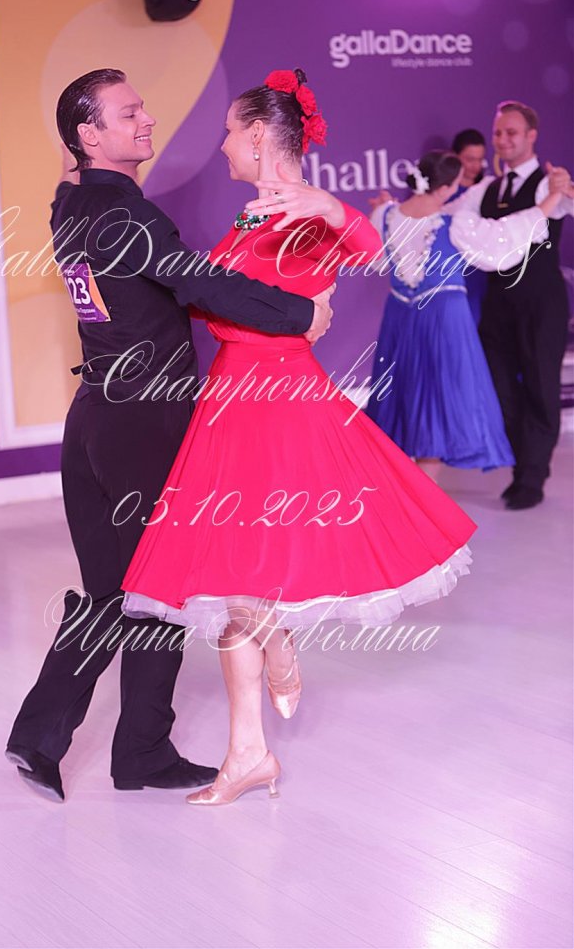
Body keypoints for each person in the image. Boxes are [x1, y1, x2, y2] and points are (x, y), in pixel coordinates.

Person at [120, 69, 478, 807]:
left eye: (229, 131)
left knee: (239, 581)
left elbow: (370, 251)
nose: (222, 145)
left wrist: (330, 206)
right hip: (230, 401)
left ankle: (276, 656)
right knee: (227, 586)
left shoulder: (304, 210)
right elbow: (223, 302)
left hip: (278, 405)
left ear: (258, 134)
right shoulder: (252, 215)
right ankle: (248, 751)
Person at [5, 68, 336, 801]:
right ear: (90, 135)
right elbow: (203, 285)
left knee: (112, 589)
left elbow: (77, 189)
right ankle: (135, 750)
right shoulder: (128, 216)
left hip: (92, 418)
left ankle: (52, 737)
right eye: (128, 113)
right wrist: (300, 313)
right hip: (144, 424)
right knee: (159, 589)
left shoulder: (70, 204)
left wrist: (77, 162)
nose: (148, 119)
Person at [366, 149, 564, 486]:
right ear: (445, 188)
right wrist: (552, 199)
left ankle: (407, 495)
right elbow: (505, 237)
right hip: (443, 321)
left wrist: (383, 208)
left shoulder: (385, 214)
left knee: (402, 402)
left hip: (399, 318)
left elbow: (377, 261)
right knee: (437, 407)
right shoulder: (455, 223)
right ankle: (420, 499)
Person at [447, 100, 574, 509]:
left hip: (541, 303)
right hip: (499, 304)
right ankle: (522, 467)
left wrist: (566, 188)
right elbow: (446, 215)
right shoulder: (487, 188)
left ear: (531, 136)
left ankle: (532, 478)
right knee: (500, 389)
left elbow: (569, 204)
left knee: (540, 387)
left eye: (511, 132)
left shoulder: (550, 182)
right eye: (498, 133)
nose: (502, 140)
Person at [450, 128, 488, 323]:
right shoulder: (444, 193)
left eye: (480, 159)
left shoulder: (489, 190)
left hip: (485, 270)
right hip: (456, 270)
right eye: (470, 159)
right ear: (455, 157)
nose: (476, 166)